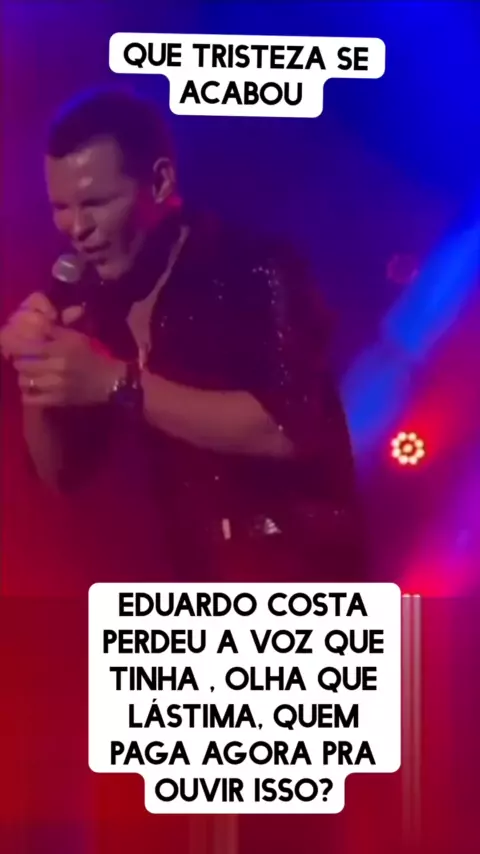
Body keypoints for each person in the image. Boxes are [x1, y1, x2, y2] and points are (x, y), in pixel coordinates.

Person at [0, 88, 366, 584]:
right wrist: (38, 370)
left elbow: (289, 428)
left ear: (159, 181)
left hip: (300, 582)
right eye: (61, 207)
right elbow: (63, 475)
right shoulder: (98, 301)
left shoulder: (253, 266)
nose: (77, 227)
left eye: (97, 203)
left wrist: (116, 382)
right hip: (190, 584)